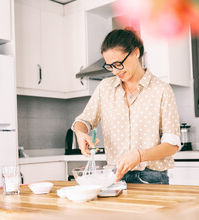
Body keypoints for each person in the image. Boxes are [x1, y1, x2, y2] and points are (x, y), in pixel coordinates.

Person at [72, 28, 180, 184]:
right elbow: (84, 121)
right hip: (115, 176)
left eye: (118, 64)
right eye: (110, 66)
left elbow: (172, 145)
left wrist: (139, 155)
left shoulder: (161, 90)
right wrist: (80, 133)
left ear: (135, 53)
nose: (115, 71)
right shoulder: (105, 88)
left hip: (152, 178)